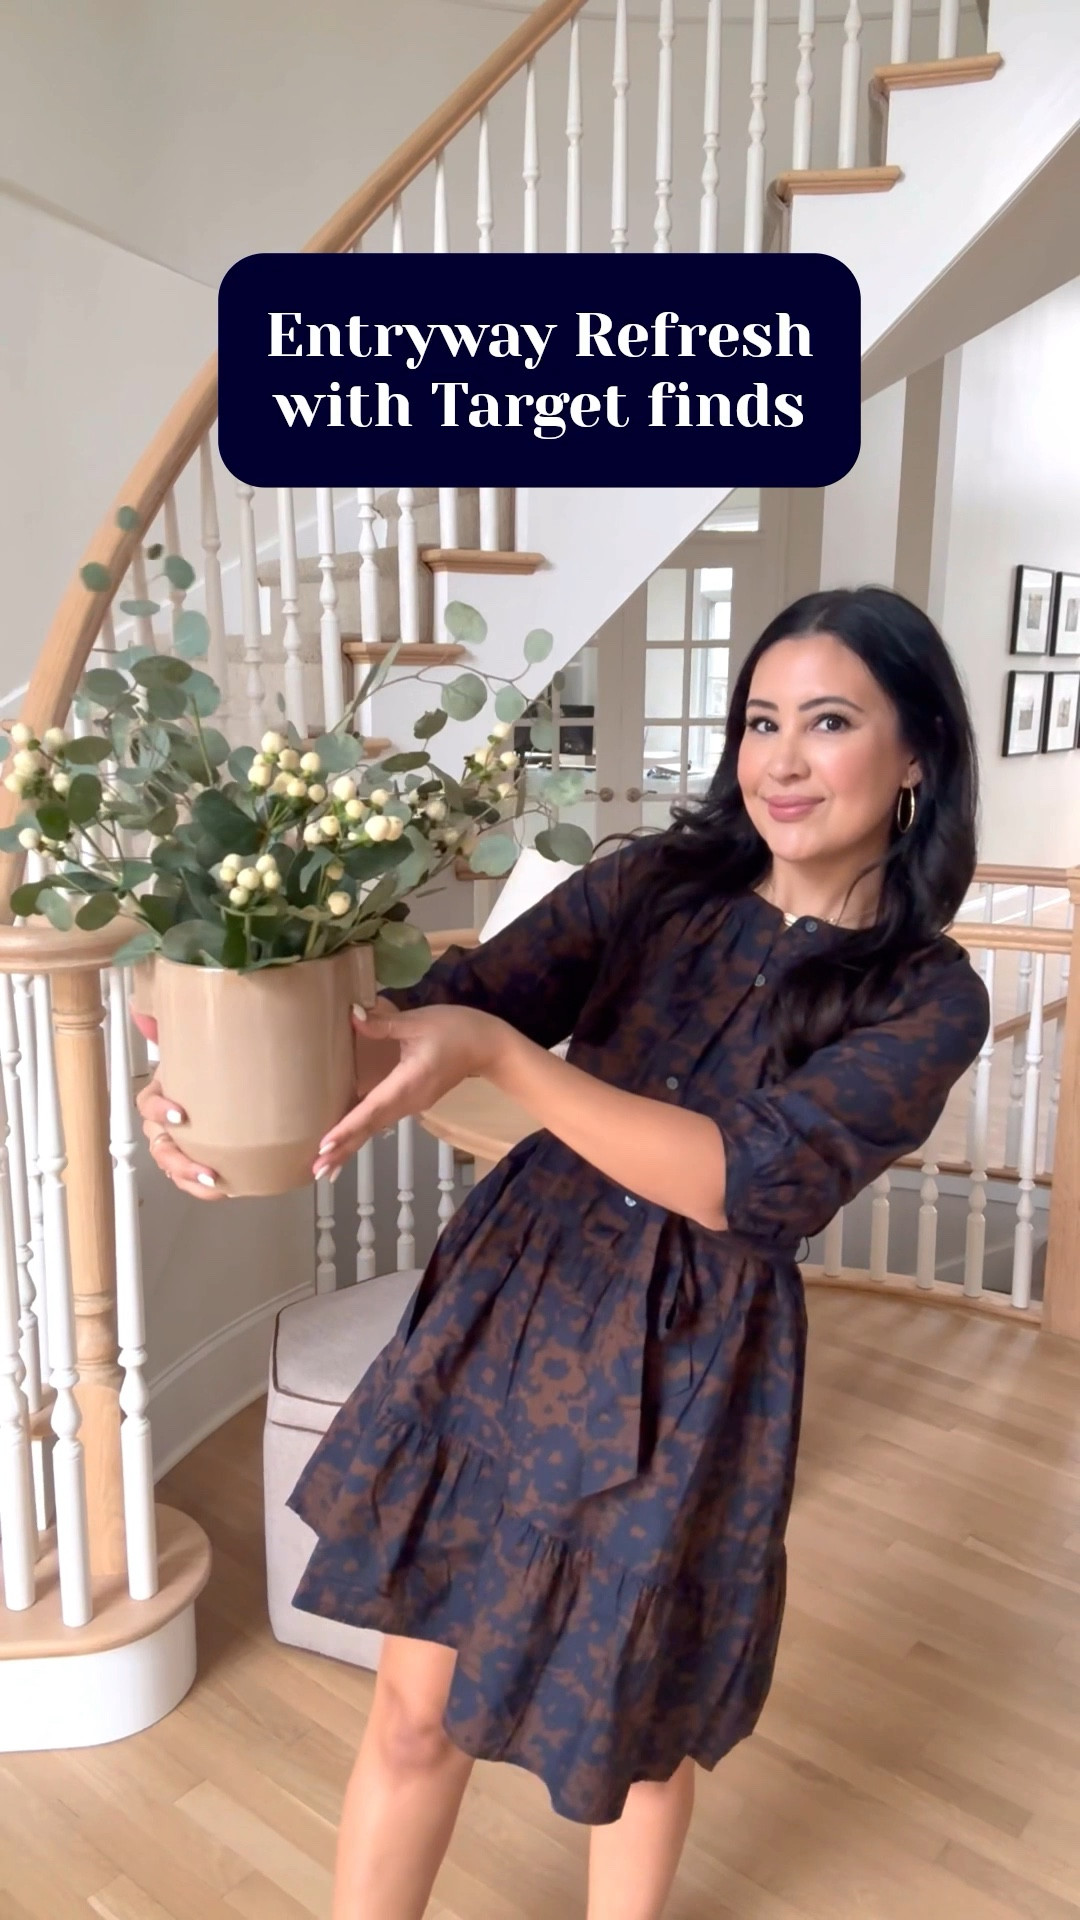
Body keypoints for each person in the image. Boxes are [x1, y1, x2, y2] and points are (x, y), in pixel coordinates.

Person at [138, 586, 990, 1920]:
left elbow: (747, 1180)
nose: (779, 759)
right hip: (517, 1300)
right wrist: (209, 1074)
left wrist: (502, 1062)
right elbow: (450, 1008)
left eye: (828, 722)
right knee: (415, 1713)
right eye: (760, 720)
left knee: (629, 1740)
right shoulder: (655, 883)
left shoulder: (929, 995)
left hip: (692, 1362)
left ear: (918, 750)